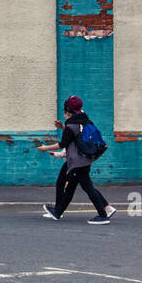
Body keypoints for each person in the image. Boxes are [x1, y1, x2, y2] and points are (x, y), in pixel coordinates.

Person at [37, 95, 116, 224]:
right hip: (82, 159)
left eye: (65, 110)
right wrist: (63, 128)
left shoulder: (71, 126)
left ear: (68, 111)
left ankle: (103, 215)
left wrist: (45, 148)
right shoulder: (82, 119)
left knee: (87, 187)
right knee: (70, 187)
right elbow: (74, 135)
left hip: (78, 162)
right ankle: (58, 212)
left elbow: (62, 144)